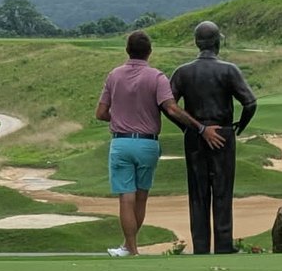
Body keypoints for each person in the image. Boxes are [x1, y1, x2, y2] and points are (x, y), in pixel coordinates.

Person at [96, 30, 224, 256]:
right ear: (149, 52)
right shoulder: (157, 77)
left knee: (126, 198)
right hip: (148, 144)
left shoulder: (114, 75)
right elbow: (172, 109)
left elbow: (101, 113)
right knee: (141, 197)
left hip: (122, 143)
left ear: (127, 50)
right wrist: (202, 128)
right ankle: (129, 247)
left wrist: (119, 118)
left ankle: (130, 248)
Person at [169, 21, 257, 255]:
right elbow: (250, 103)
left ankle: (200, 247)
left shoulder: (182, 72)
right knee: (222, 191)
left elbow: (169, 106)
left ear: (197, 43)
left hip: (194, 135)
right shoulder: (229, 70)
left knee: (198, 193)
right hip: (223, 133)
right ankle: (224, 245)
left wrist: (186, 127)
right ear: (218, 42)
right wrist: (239, 127)